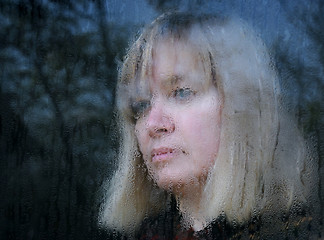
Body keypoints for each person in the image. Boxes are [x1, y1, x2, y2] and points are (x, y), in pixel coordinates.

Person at [100, 12, 318, 239]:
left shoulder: (297, 232)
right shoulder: (138, 234)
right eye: (141, 105)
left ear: (242, 108)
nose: (153, 124)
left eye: (181, 93)